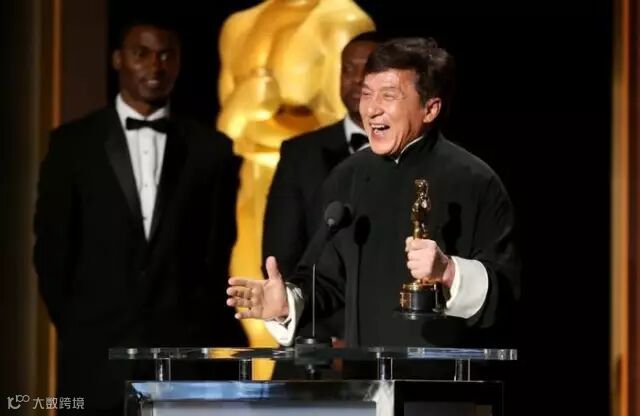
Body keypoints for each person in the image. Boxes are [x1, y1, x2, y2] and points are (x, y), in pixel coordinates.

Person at [227, 37, 520, 377]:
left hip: (444, 389)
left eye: (388, 96)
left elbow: (507, 294)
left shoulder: (476, 181)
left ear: (430, 109)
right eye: (367, 94)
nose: (371, 109)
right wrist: (285, 305)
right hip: (365, 388)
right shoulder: (346, 178)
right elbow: (327, 281)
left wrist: (450, 272)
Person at [34, 18, 246, 415]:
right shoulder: (73, 144)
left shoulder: (211, 150)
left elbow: (216, 252)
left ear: (179, 62)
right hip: (95, 363)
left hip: (182, 365)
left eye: (166, 55)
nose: (155, 65)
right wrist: (82, 329)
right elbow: (52, 251)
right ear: (118, 59)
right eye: (142, 54)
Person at [262, 31, 384, 344]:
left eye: (368, 69)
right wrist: (328, 336)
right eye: (348, 69)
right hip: (315, 343)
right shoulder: (300, 154)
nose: (356, 79)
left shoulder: (418, 156)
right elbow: (282, 256)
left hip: (393, 342)